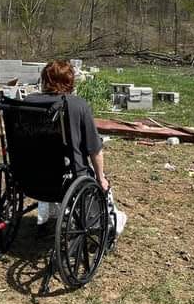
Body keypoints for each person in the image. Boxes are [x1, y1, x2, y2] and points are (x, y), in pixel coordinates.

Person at [26, 59, 127, 243]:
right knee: (100, 184)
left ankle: (46, 220)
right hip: (66, 177)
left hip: (30, 174)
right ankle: (104, 224)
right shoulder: (77, 105)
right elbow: (94, 149)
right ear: (69, 82)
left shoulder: (28, 102)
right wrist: (101, 177)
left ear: (44, 80)